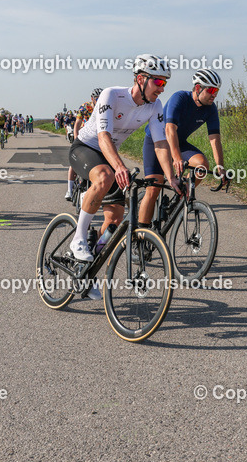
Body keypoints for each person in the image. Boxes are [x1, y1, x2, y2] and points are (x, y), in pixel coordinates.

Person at [67, 55, 180, 298]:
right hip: (86, 148)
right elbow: (103, 137)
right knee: (106, 175)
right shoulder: (111, 95)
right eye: (158, 83)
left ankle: (85, 271)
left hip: (109, 155)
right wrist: (119, 167)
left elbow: (160, 143)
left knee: (116, 220)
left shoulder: (154, 106)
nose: (162, 89)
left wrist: (170, 177)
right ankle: (77, 239)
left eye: (164, 84)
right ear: (141, 79)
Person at [138, 69, 229, 226]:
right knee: (153, 189)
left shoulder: (211, 108)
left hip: (178, 142)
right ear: (198, 88)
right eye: (212, 90)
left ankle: (178, 197)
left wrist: (220, 168)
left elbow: (215, 140)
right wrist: (177, 158)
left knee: (201, 165)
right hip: (156, 141)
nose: (215, 95)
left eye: (217, 91)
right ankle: (140, 236)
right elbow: (169, 130)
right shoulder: (179, 98)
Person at [65, 87, 103, 200]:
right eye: (97, 98)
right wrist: (77, 140)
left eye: (101, 98)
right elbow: (77, 124)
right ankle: (69, 190)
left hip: (96, 138)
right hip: (83, 136)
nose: (99, 100)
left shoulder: (104, 107)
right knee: (73, 164)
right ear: (92, 98)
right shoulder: (85, 107)